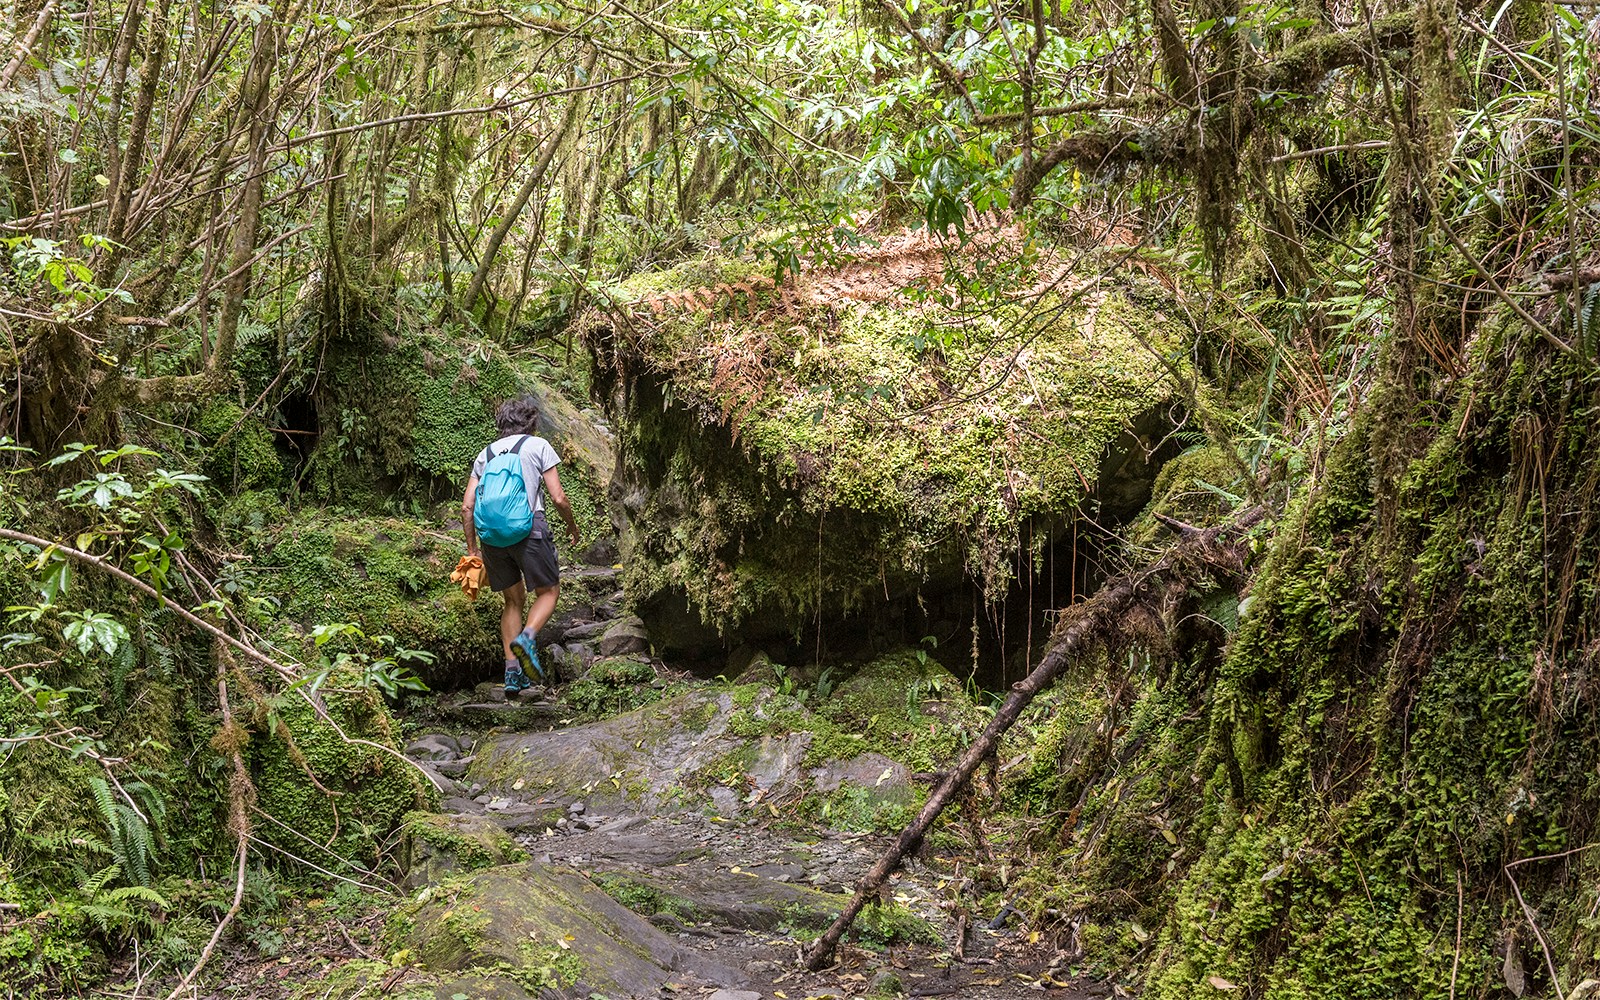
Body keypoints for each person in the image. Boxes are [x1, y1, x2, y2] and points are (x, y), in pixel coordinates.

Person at [462, 395, 581, 694]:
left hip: (491, 539)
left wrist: (472, 550)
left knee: (512, 601)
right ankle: (527, 638)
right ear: (531, 423)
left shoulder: (484, 455)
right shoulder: (537, 446)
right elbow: (558, 497)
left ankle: (512, 674)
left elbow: (467, 507)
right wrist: (572, 525)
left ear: (502, 424)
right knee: (549, 591)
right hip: (529, 531)